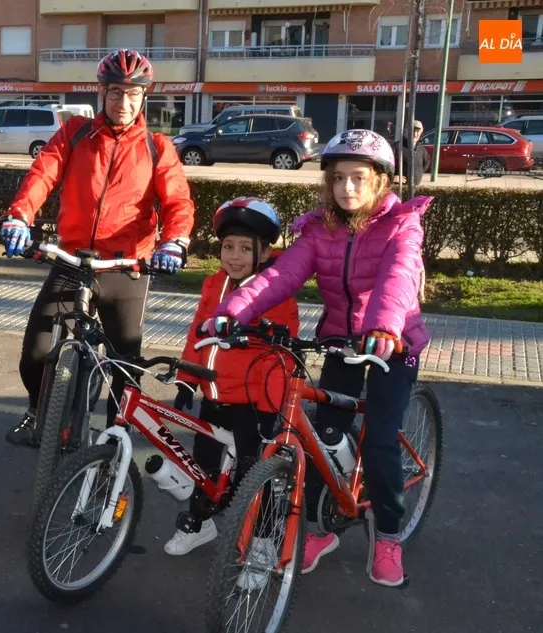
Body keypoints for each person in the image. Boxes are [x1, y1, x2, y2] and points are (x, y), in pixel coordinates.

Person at [208, 128, 432, 587]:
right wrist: (232, 311)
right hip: (339, 342)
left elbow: (398, 278)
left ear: (380, 181)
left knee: (379, 441)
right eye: (338, 178)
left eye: (359, 178)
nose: (347, 188)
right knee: (319, 438)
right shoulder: (319, 229)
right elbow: (280, 277)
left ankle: (388, 535)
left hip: (392, 343)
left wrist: (384, 328)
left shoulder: (402, 225)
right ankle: (320, 528)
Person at [0, 48, 195, 446]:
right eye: (116, 92)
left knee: (125, 364)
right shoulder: (76, 133)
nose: (124, 102)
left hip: (126, 266)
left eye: (133, 94)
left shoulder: (157, 146)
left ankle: (115, 443)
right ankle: (38, 411)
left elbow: (178, 201)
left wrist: (174, 242)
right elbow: (42, 174)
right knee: (35, 354)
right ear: (101, 92)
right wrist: (19, 216)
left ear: (144, 96)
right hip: (73, 261)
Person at [164, 197, 300, 557]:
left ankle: (263, 541)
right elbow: (197, 335)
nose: (234, 256)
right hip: (214, 395)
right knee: (204, 467)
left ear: (265, 252)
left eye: (244, 248)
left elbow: (280, 355)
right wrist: (187, 379)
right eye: (228, 247)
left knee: (254, 474)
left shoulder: (275, 293)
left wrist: (270, 408)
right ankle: (200, 523)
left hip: (253, 403)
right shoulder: (213, 285)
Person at [393, 120, 430, 186]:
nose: (415, 134)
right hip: (398, 188)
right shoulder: (396, 148)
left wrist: (418, 174)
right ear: (406, 131)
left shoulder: (422, 150)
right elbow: (384, 168)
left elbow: (426, 163)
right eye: (412, 131)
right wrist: (392, 178)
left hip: (415, 187)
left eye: (418, 131)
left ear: (421, 132)